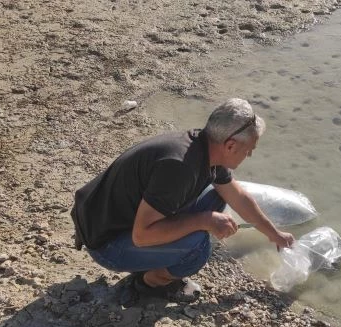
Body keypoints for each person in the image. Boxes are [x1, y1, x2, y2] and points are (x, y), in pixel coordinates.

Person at [71, 98, 295, 306]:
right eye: (249, 150)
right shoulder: (180, 168)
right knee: (197, 249)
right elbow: (141, 235)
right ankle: (150, 281)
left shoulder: (204, 147)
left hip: (114, 223)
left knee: (217, 196)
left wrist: (274, 234)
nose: (249, 156)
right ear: (230, 145)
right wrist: (204, 220)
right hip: (106, 245)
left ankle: (156, 259)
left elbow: (238, 197)